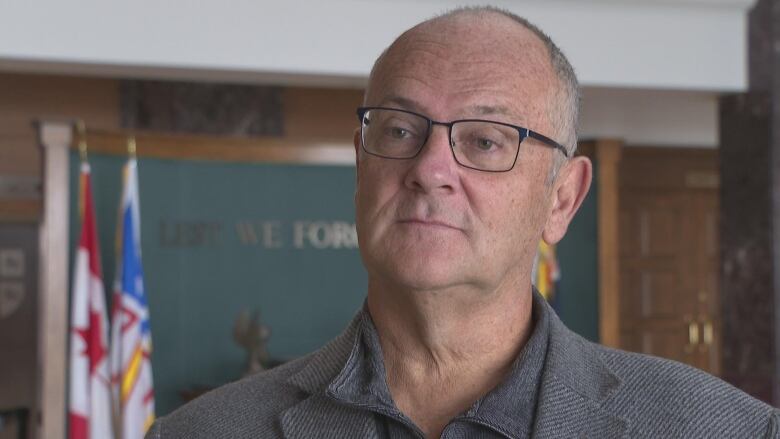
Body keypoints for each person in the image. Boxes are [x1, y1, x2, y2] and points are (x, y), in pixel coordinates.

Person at [147, 6, 780, 438]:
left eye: (483, 141)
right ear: (360, 167)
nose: (429, 168)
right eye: (399, 129)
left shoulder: (726, 430)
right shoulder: (203, 432)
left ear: (561, 198)